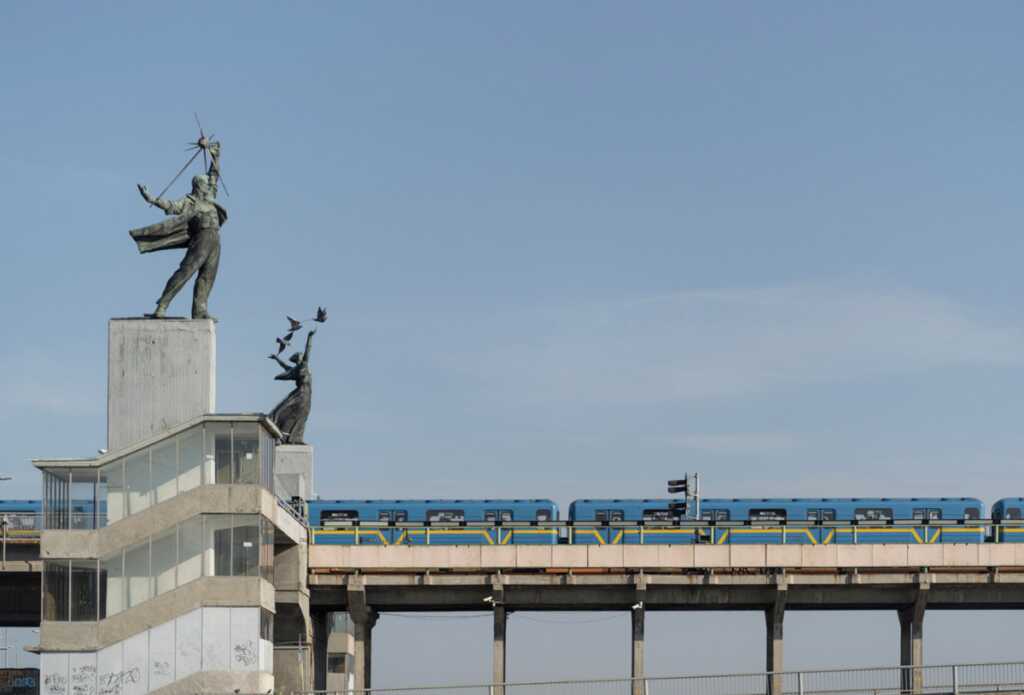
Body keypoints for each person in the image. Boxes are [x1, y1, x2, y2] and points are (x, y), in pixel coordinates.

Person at [135, 140, 225, 319]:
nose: (210, 185)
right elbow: (171, 206)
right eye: (206, 184)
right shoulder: (190, 202)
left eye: (209, 184)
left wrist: (215, 154)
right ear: (199, 186)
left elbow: (214, 174)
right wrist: (152, 199)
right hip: (202, 238)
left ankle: (200, 310)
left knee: (208, 275)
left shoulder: (210, 198)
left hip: (215, 238)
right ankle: (162, 304)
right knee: (187, 270)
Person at [269, 329, 315, 444]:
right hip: (300, 393)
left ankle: (296, 438)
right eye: (300, 356)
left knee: (303, 415)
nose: (302, 356)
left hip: (307, 395)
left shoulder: (304, 365)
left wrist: (310, 337)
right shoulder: (295, 369)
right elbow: (285, 366)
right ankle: (278, 430)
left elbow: (308, 350)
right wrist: (276, 359)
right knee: (282, 409)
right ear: (297, 359)